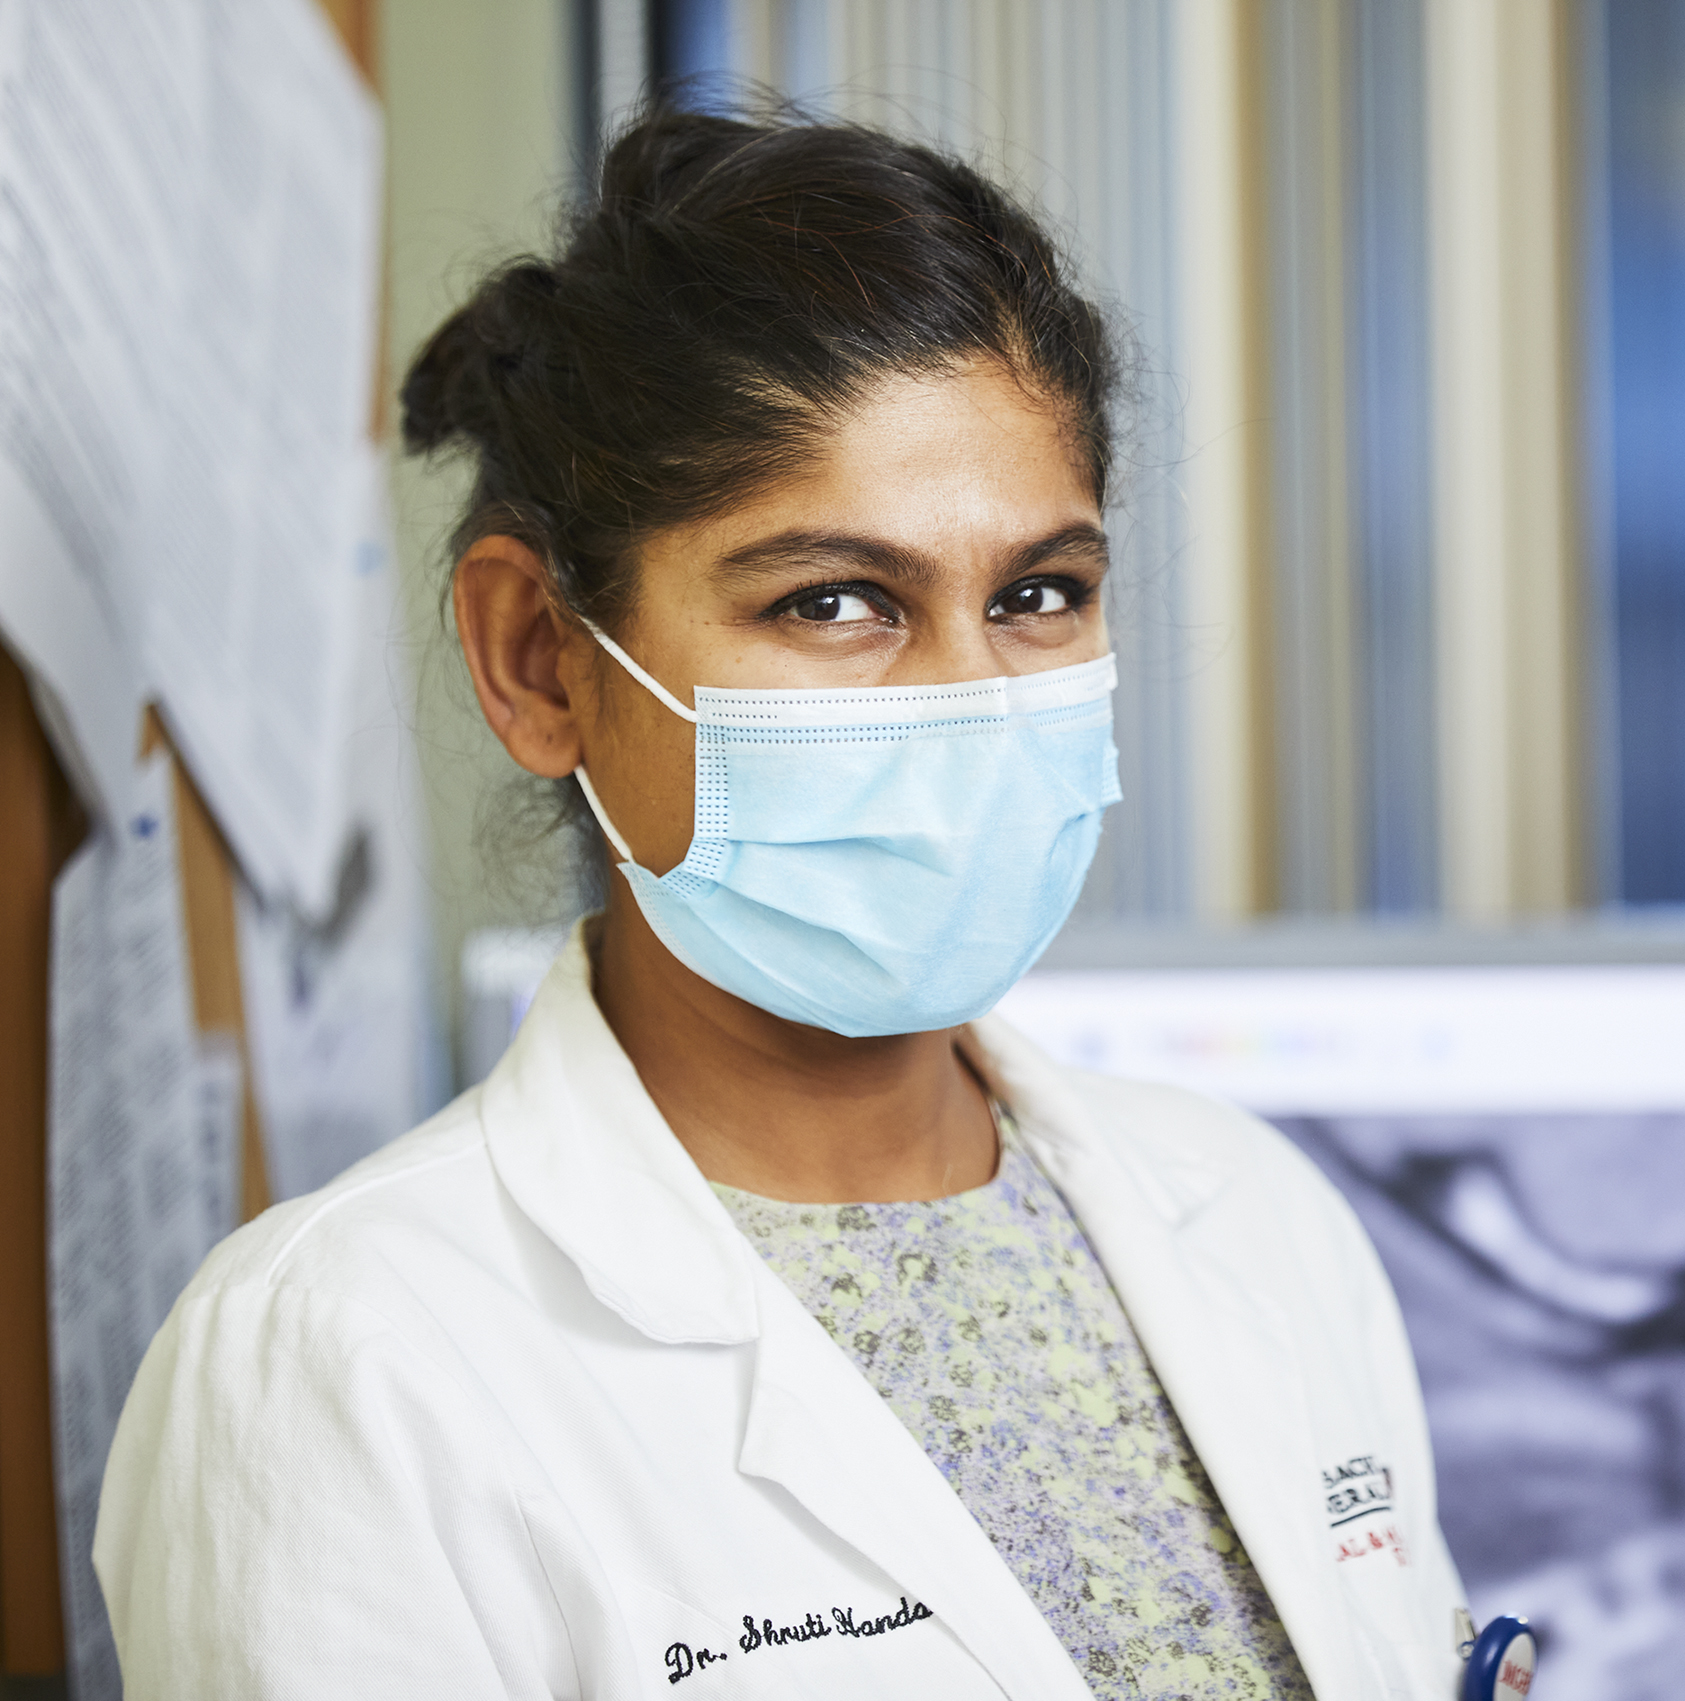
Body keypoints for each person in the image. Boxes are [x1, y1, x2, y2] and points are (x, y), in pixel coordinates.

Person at [94, 107, 1463, 1701]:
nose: (969, 698)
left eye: (1038, 594)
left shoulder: (1256, 1214)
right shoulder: (338, 1358)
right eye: (834, 600)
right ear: (540, 659)